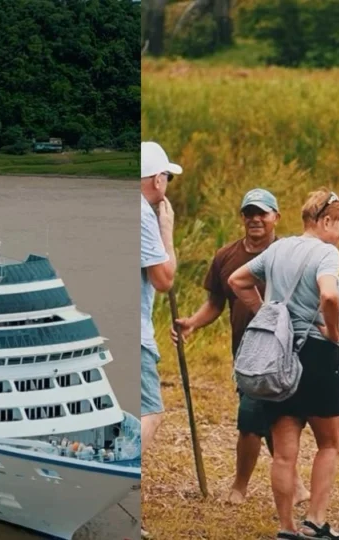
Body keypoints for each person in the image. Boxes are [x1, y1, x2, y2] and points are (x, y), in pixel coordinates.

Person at [228, 188, 339, 540]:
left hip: (278, 356)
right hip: (316, 355)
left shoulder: (277, 249)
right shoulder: (327, 253)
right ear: (326, 221)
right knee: (333, 442)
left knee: (284, 452)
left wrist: (267, 314)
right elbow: (328, 294)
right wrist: (334, 332)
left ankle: (286, 527)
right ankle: (315, 521)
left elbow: (237, 280)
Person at [171, 188, 310, 505]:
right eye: (249, 213)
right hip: (247, 354)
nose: (255, 219)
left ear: (276, 217)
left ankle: (274, 486)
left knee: (274, 419)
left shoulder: (290, 254)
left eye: (262, 213)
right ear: (242, 218)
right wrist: (192, 322)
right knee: (253, 420)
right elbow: (215, 304)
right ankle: (251, 486)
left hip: (285, 352)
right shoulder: (226, 256)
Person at [140, 141, 180, 537]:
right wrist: (166, 232)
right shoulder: (143, 215)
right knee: (151, 411)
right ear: (157, 178)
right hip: (137, 335)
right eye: (167, 175)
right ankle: (120, 477)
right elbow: (165, 280)